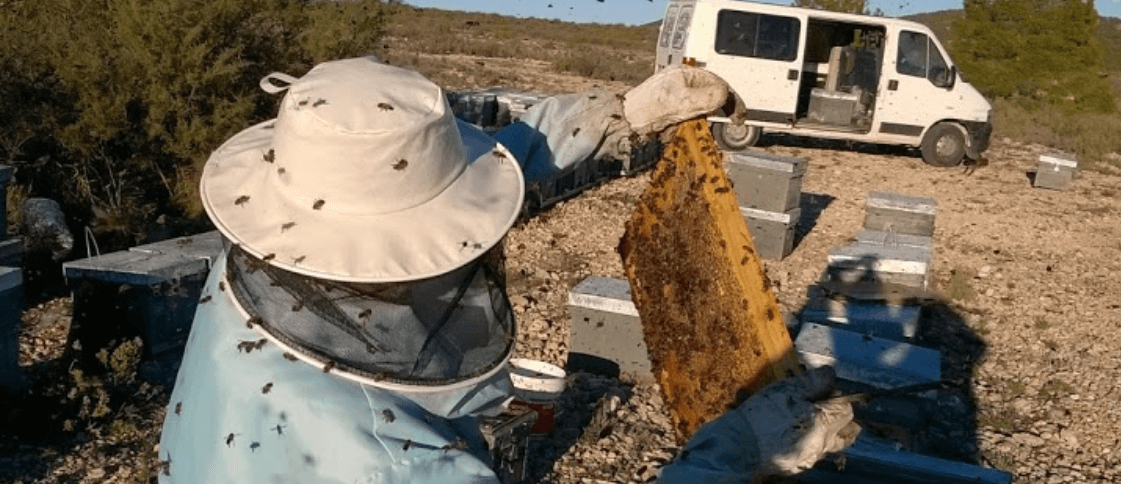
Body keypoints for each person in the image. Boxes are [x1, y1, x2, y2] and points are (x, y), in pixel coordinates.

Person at [157, 56, 856, 484]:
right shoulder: (398, 466)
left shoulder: (273, 253)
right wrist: (734, 454)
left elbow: (472, 171)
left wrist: (621, 115)